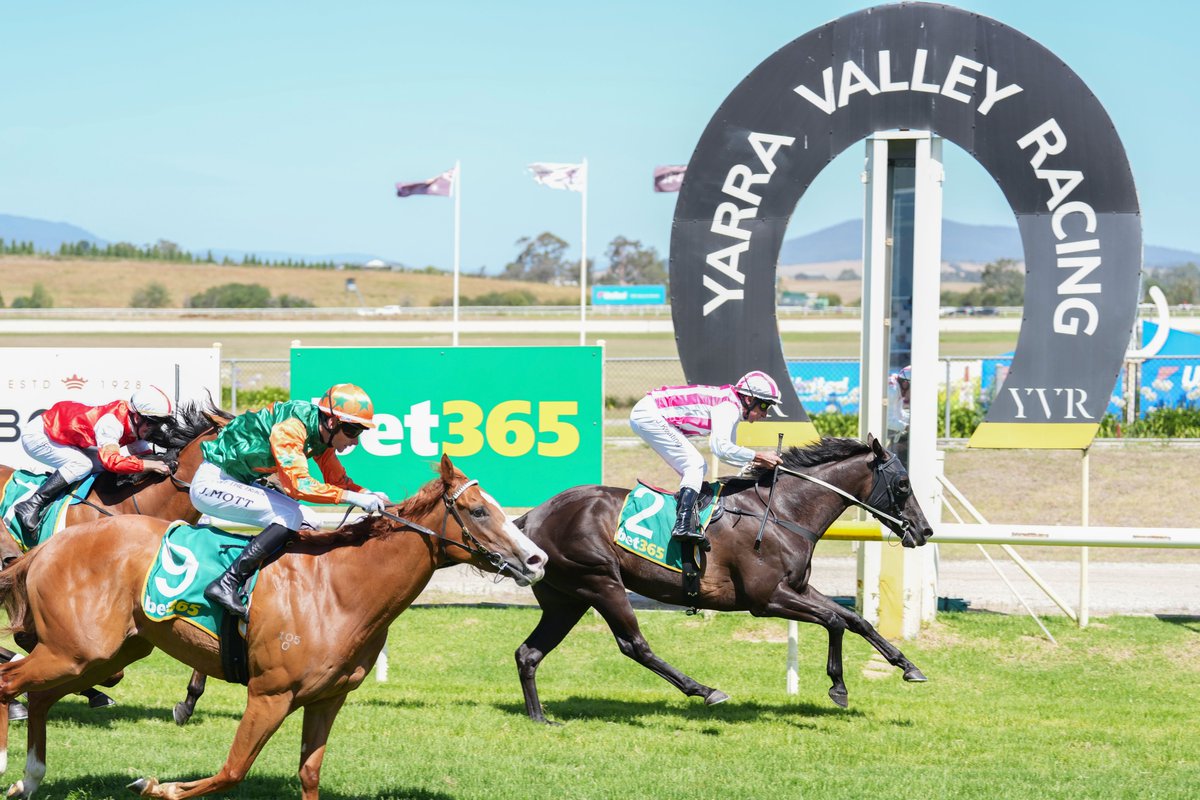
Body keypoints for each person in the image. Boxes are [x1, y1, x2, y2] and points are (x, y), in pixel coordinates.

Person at [193, 383, 390, 621]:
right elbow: (297, 486)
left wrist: (368, 493)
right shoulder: (292, 427)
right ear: (332, 422)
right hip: (212, 484)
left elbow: (336, 480)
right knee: (291, 515)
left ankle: (286, 588)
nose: (355, 441)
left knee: (312, 520)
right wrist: (354, 498)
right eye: (353, 431)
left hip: (237, 481)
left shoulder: (320, 435)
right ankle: (227, 583)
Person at [629, 370, 784, 544]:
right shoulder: (728, 407)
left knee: (698, 466)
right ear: (749, 399)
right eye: (764, 406)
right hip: (649, 415)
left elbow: (727, 455)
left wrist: (757, 464)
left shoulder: (732, 405)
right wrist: (757, 455)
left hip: (651, 414)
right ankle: (682, 525)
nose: (765, 413)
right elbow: (720, 448)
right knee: (695, 464)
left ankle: (685, 517)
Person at [13, 386, 176, 534]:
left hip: (67, 439)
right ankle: (31, 504)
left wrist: (162, 463)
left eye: (158, 425)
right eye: (152, 424)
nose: (153, 430)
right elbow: (112, 461)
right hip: (40, 435)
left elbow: (143, 454)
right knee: (82, 465)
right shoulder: (111, 423)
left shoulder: (134, 423)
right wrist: (148, 465)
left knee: (98, 466)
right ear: (136, 417)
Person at [887, 365, 912, 462]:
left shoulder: (897, 388)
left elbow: (899, 414)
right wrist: (906, 427)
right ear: (905, 383)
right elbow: (886, 421)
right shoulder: (892, 391)